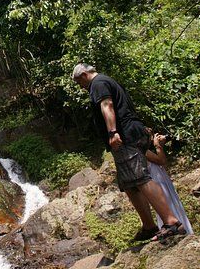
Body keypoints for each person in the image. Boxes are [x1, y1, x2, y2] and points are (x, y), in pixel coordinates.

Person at [72, 63, 185, 241]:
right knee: (130, 184)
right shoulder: (106, 81)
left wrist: (112, 132)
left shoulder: (98, 83)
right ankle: (149, 226)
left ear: (84, 75)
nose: (81, 86)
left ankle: (171, 222)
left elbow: (107, 105)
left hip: (125, 136)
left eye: (79, 82)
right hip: (131, 134)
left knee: (140, 178)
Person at [145, 131, 194, 235]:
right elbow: (161, 160)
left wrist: (160, 146)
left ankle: (184, 231)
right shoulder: (143, 151)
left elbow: (163, 165)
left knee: (174, 206)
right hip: (158, 186)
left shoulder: (148, 151)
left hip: (164, 183)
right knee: (169, 207)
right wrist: (157, 146)